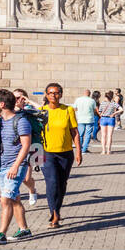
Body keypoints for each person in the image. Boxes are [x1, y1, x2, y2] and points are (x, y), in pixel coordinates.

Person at [0, 89, 33, 244]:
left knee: (5, 199)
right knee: (14, 200)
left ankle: (1, 234)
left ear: (1, 104)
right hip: (1, 167)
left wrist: (15, 166)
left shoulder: (21, 121)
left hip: (16, 167)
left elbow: (26, 146)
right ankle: (24, 230)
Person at [40, 83, 81, 227]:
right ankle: (54, 213)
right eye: (50, 93)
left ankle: (57, 209)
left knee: (62, 184)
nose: (53, 95)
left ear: (61, 94)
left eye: (56, 93)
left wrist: (78, 152)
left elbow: (74, 132)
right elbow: (35, 135)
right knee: (52, 182)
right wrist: (34, 158)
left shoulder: (68, 110)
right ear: (46, 95)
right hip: (46, 153)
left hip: (66, 153)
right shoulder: (41, 111)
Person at [97, 90, 123, 155]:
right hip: (111, 119)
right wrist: (114, 113)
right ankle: (109, 150)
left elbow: (100, 113)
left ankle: (103, 151)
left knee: (103, 136)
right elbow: (121, 109)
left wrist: (102, 113)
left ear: (106, 96)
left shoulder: (102, 103)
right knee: (109, 136)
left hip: (103, 119)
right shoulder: (113, 103)